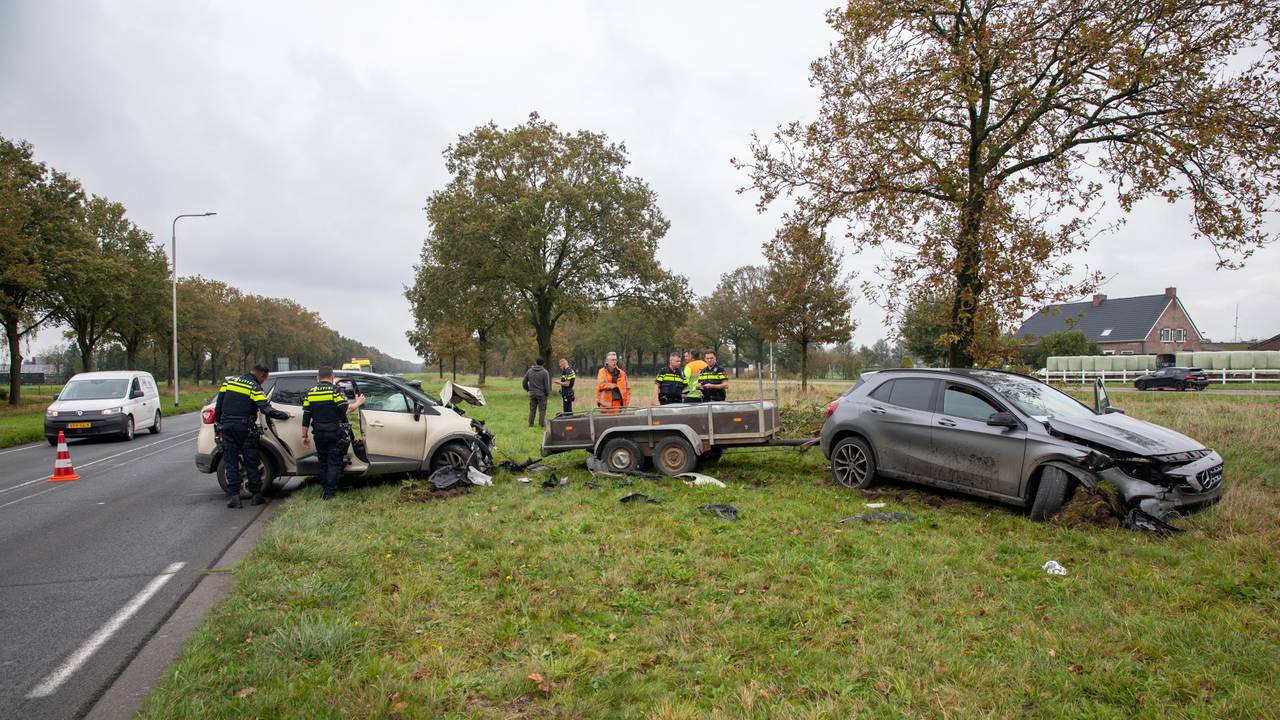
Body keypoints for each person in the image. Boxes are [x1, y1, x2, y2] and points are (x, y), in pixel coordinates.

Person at [213, 363, 291, 508]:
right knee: (251, 461)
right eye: (264, 379)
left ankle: (235, 497)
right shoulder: (253, 387)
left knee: (231, 462)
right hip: (245, 428)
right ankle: (256, 496)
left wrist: (217, 426)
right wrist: (283, 415)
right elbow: (266, 408)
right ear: (261, 375)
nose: (263, 381)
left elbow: (218, 407)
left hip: (227, 427)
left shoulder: (229, 383)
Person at [300, 365, 365, 500]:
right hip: (334, 434)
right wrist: (358, 402)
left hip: (318, 434)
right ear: (332, 377)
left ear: (317, 378)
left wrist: (304, 435)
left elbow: (306, 416)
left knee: (323, 462)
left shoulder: (310, 393)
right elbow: (345, 410)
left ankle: (325, 489)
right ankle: (329, 494)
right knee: (334, 462)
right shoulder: (335, 391)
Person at [522, 358, 552, 427]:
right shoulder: (545, 372)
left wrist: (528, 389)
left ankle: (530, 424)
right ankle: (541, 425)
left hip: (532, 394)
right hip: (542, 394)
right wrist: (547, 393)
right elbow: (547, 385)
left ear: (535, 362)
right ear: (543, 363)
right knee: (542, 410)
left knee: (532, 409)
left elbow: (524, 382)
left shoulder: (529, 371)